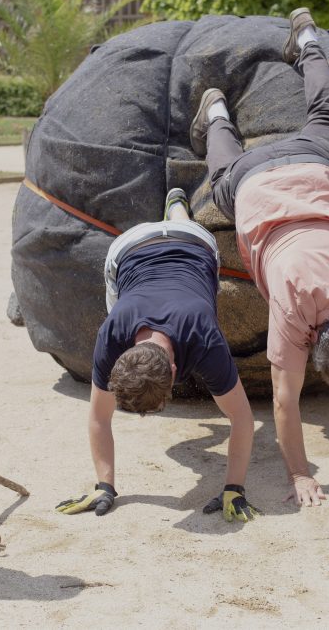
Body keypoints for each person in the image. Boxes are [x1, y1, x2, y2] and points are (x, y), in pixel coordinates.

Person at [191, 8, 329, 508]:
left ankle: (308, 41)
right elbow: (284, 401)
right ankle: (218, 116)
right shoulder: (295, 310)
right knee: (224, 177)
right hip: (254, 182)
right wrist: (301, 475)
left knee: (328, 116)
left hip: (310, 163)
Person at [55, 189, 260, 523]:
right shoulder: (112, 332)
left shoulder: (204, 338)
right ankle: (176, 210)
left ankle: (177, 211)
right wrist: (103, 485)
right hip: (131, 248)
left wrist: (234, 487)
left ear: (177, 369)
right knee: (127, 294)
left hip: (194, 245)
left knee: (176, 271)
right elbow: (99, 417)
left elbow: (243, 419)